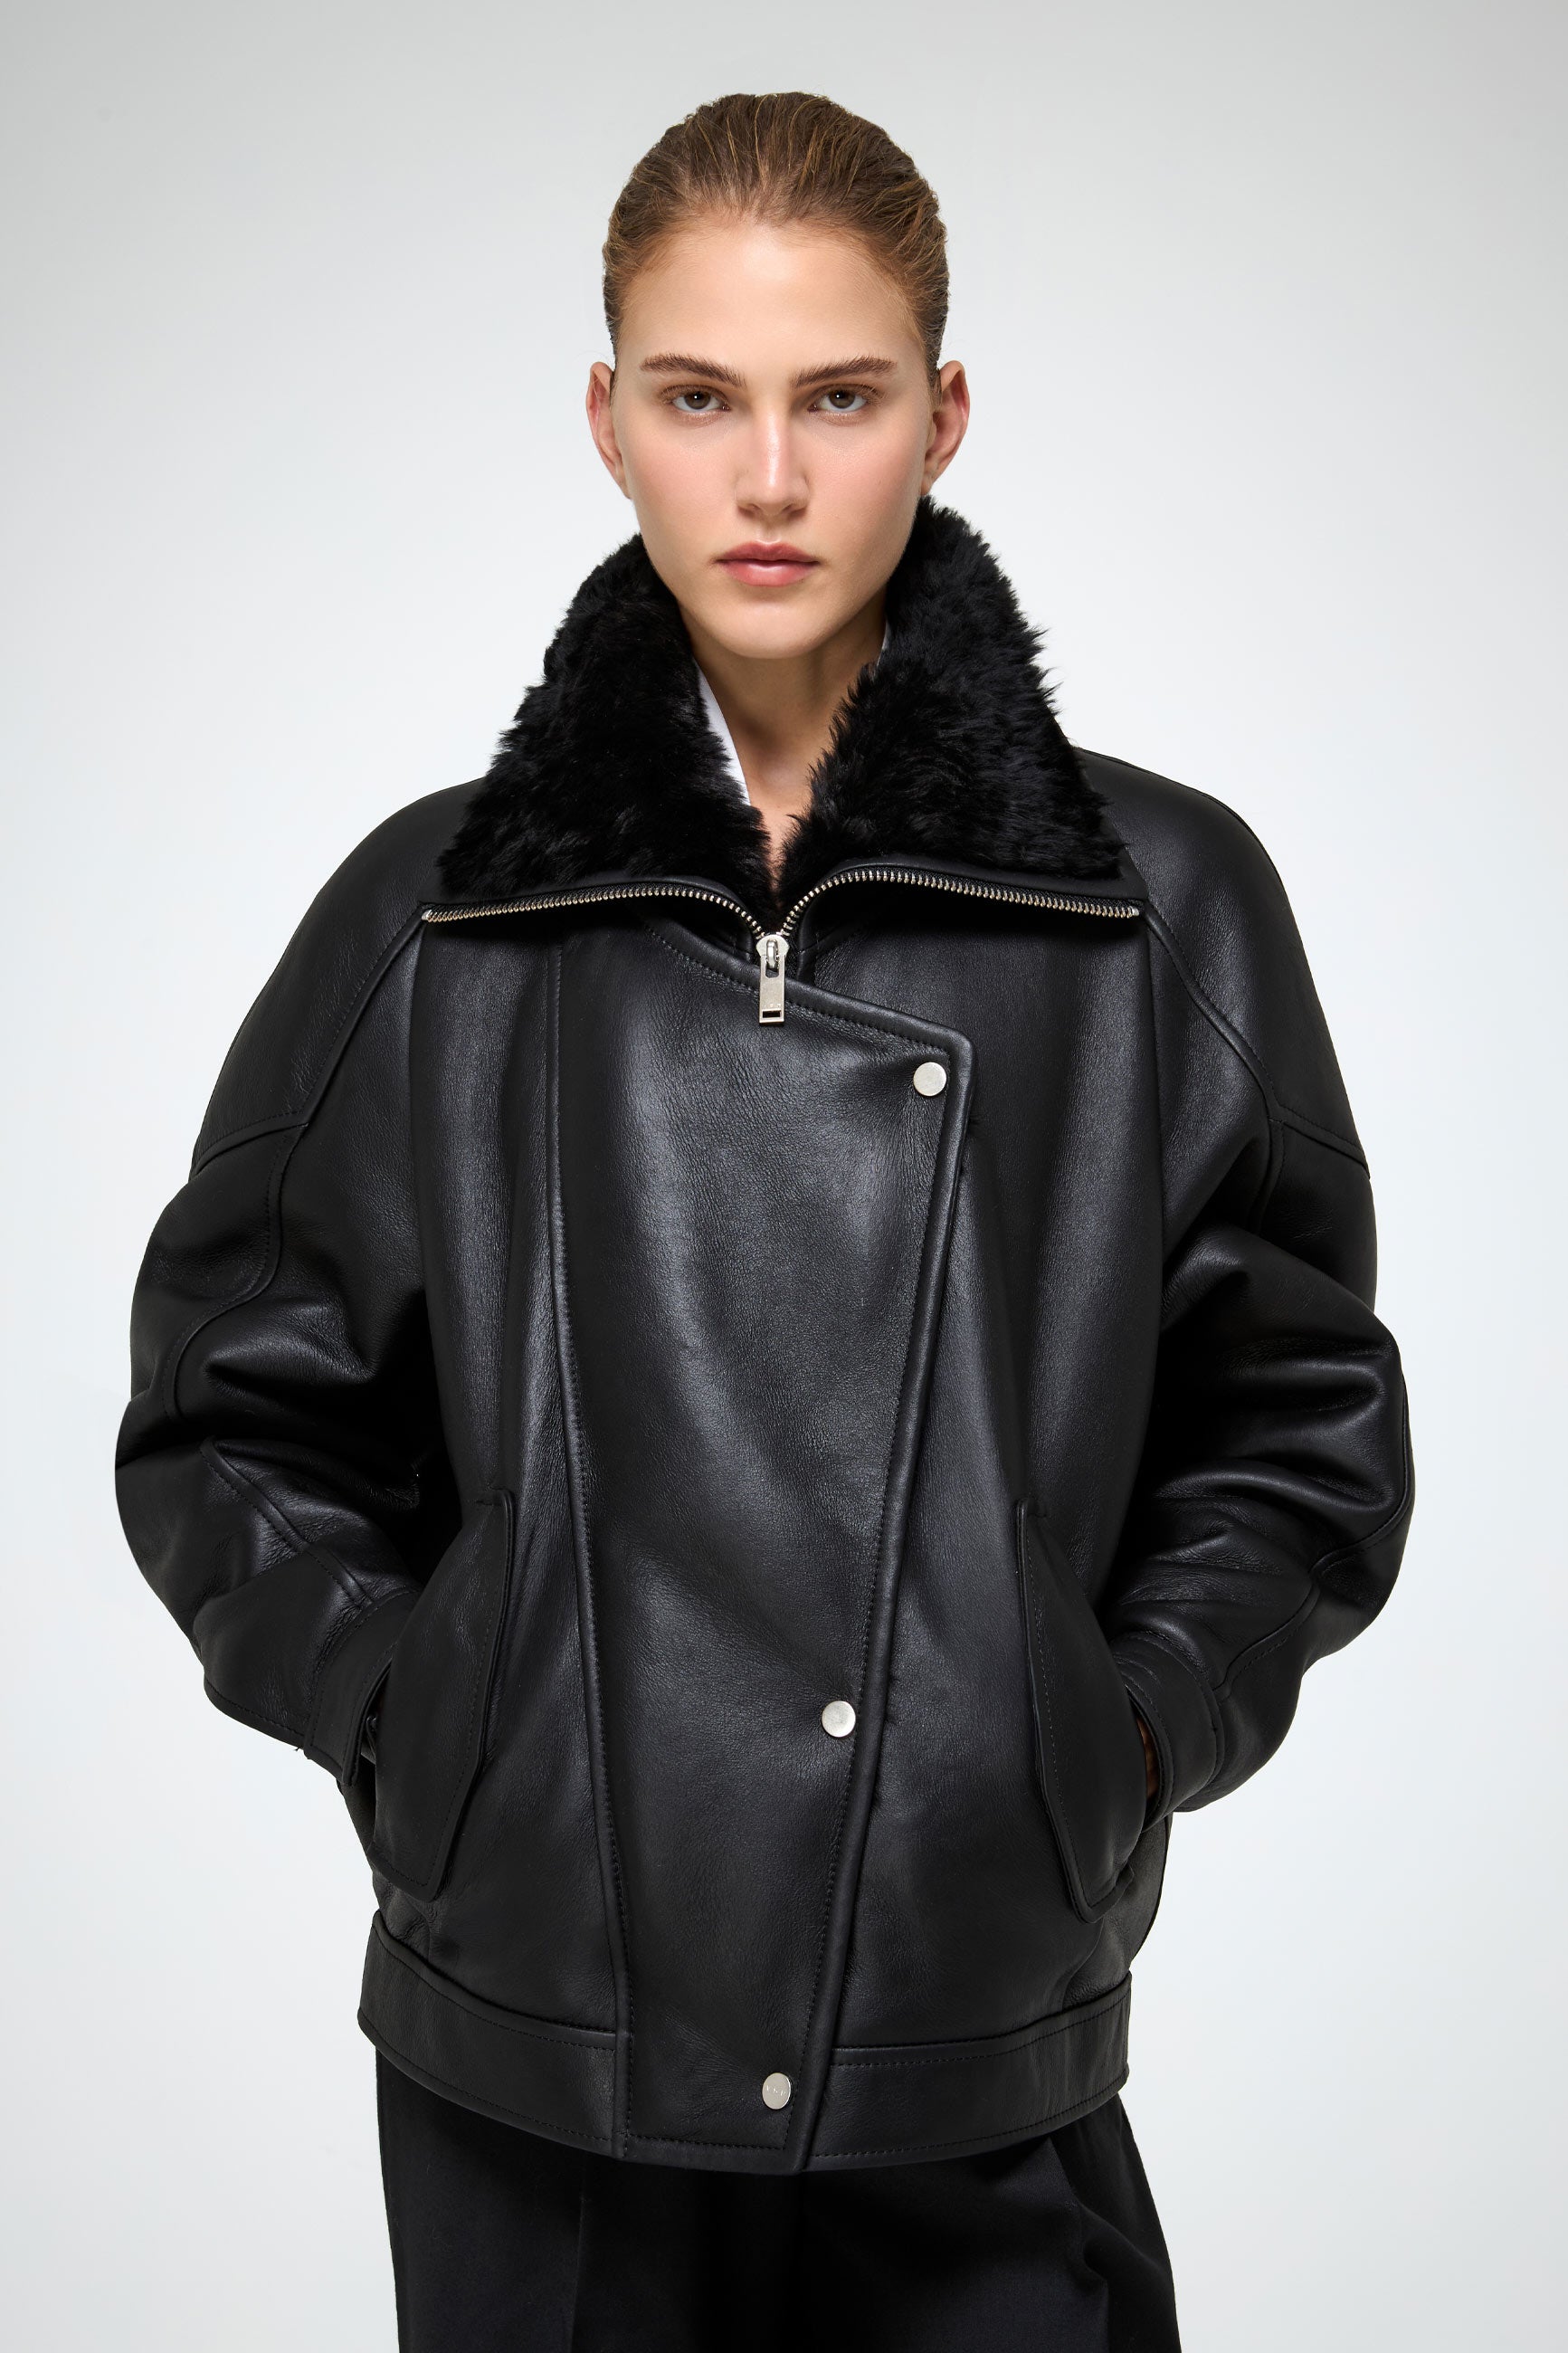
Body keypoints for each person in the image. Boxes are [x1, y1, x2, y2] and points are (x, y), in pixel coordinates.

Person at [116, 90, 1413, 2353]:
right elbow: (231, 1418)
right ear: (607, 419)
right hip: (544, 2041)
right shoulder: (441, 916)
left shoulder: (1157, 906)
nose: (775, 478)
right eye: (703, 398)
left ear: (947, 415)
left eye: (842, 396)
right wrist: (439, 1726)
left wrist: (1104, 1743)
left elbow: (1296, 1428)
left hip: (966, 2014)